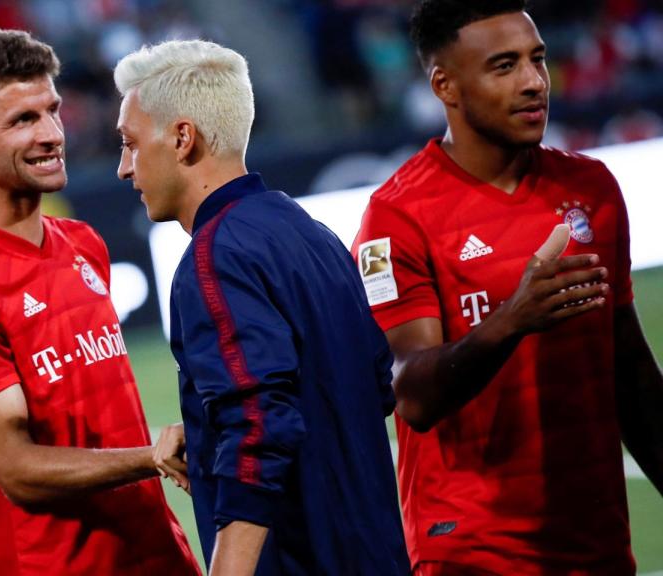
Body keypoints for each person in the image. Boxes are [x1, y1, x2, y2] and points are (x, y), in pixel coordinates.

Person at [352, 1, 663, 574]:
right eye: (503, 66)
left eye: (537, 59)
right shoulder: (397, 216)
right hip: (472, 552)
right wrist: (510, 320)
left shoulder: (589, 188)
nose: (533, 83)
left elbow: (631, 373)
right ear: (444, 85)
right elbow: (409, 393)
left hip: (596, 546)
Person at [0, 27, 200, 576]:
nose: (52, 133)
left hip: (157, 554)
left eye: (52, 110)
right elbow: (17, 471)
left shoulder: (82, 244)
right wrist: (152, 456)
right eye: (23, 120)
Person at [114, 40, 410, 575]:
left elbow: (260, 425)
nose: (123, 168)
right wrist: (205, 430)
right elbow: (373, 387)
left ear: (183, 138)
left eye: (130, 144)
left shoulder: (213, 257)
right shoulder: (314, 236)